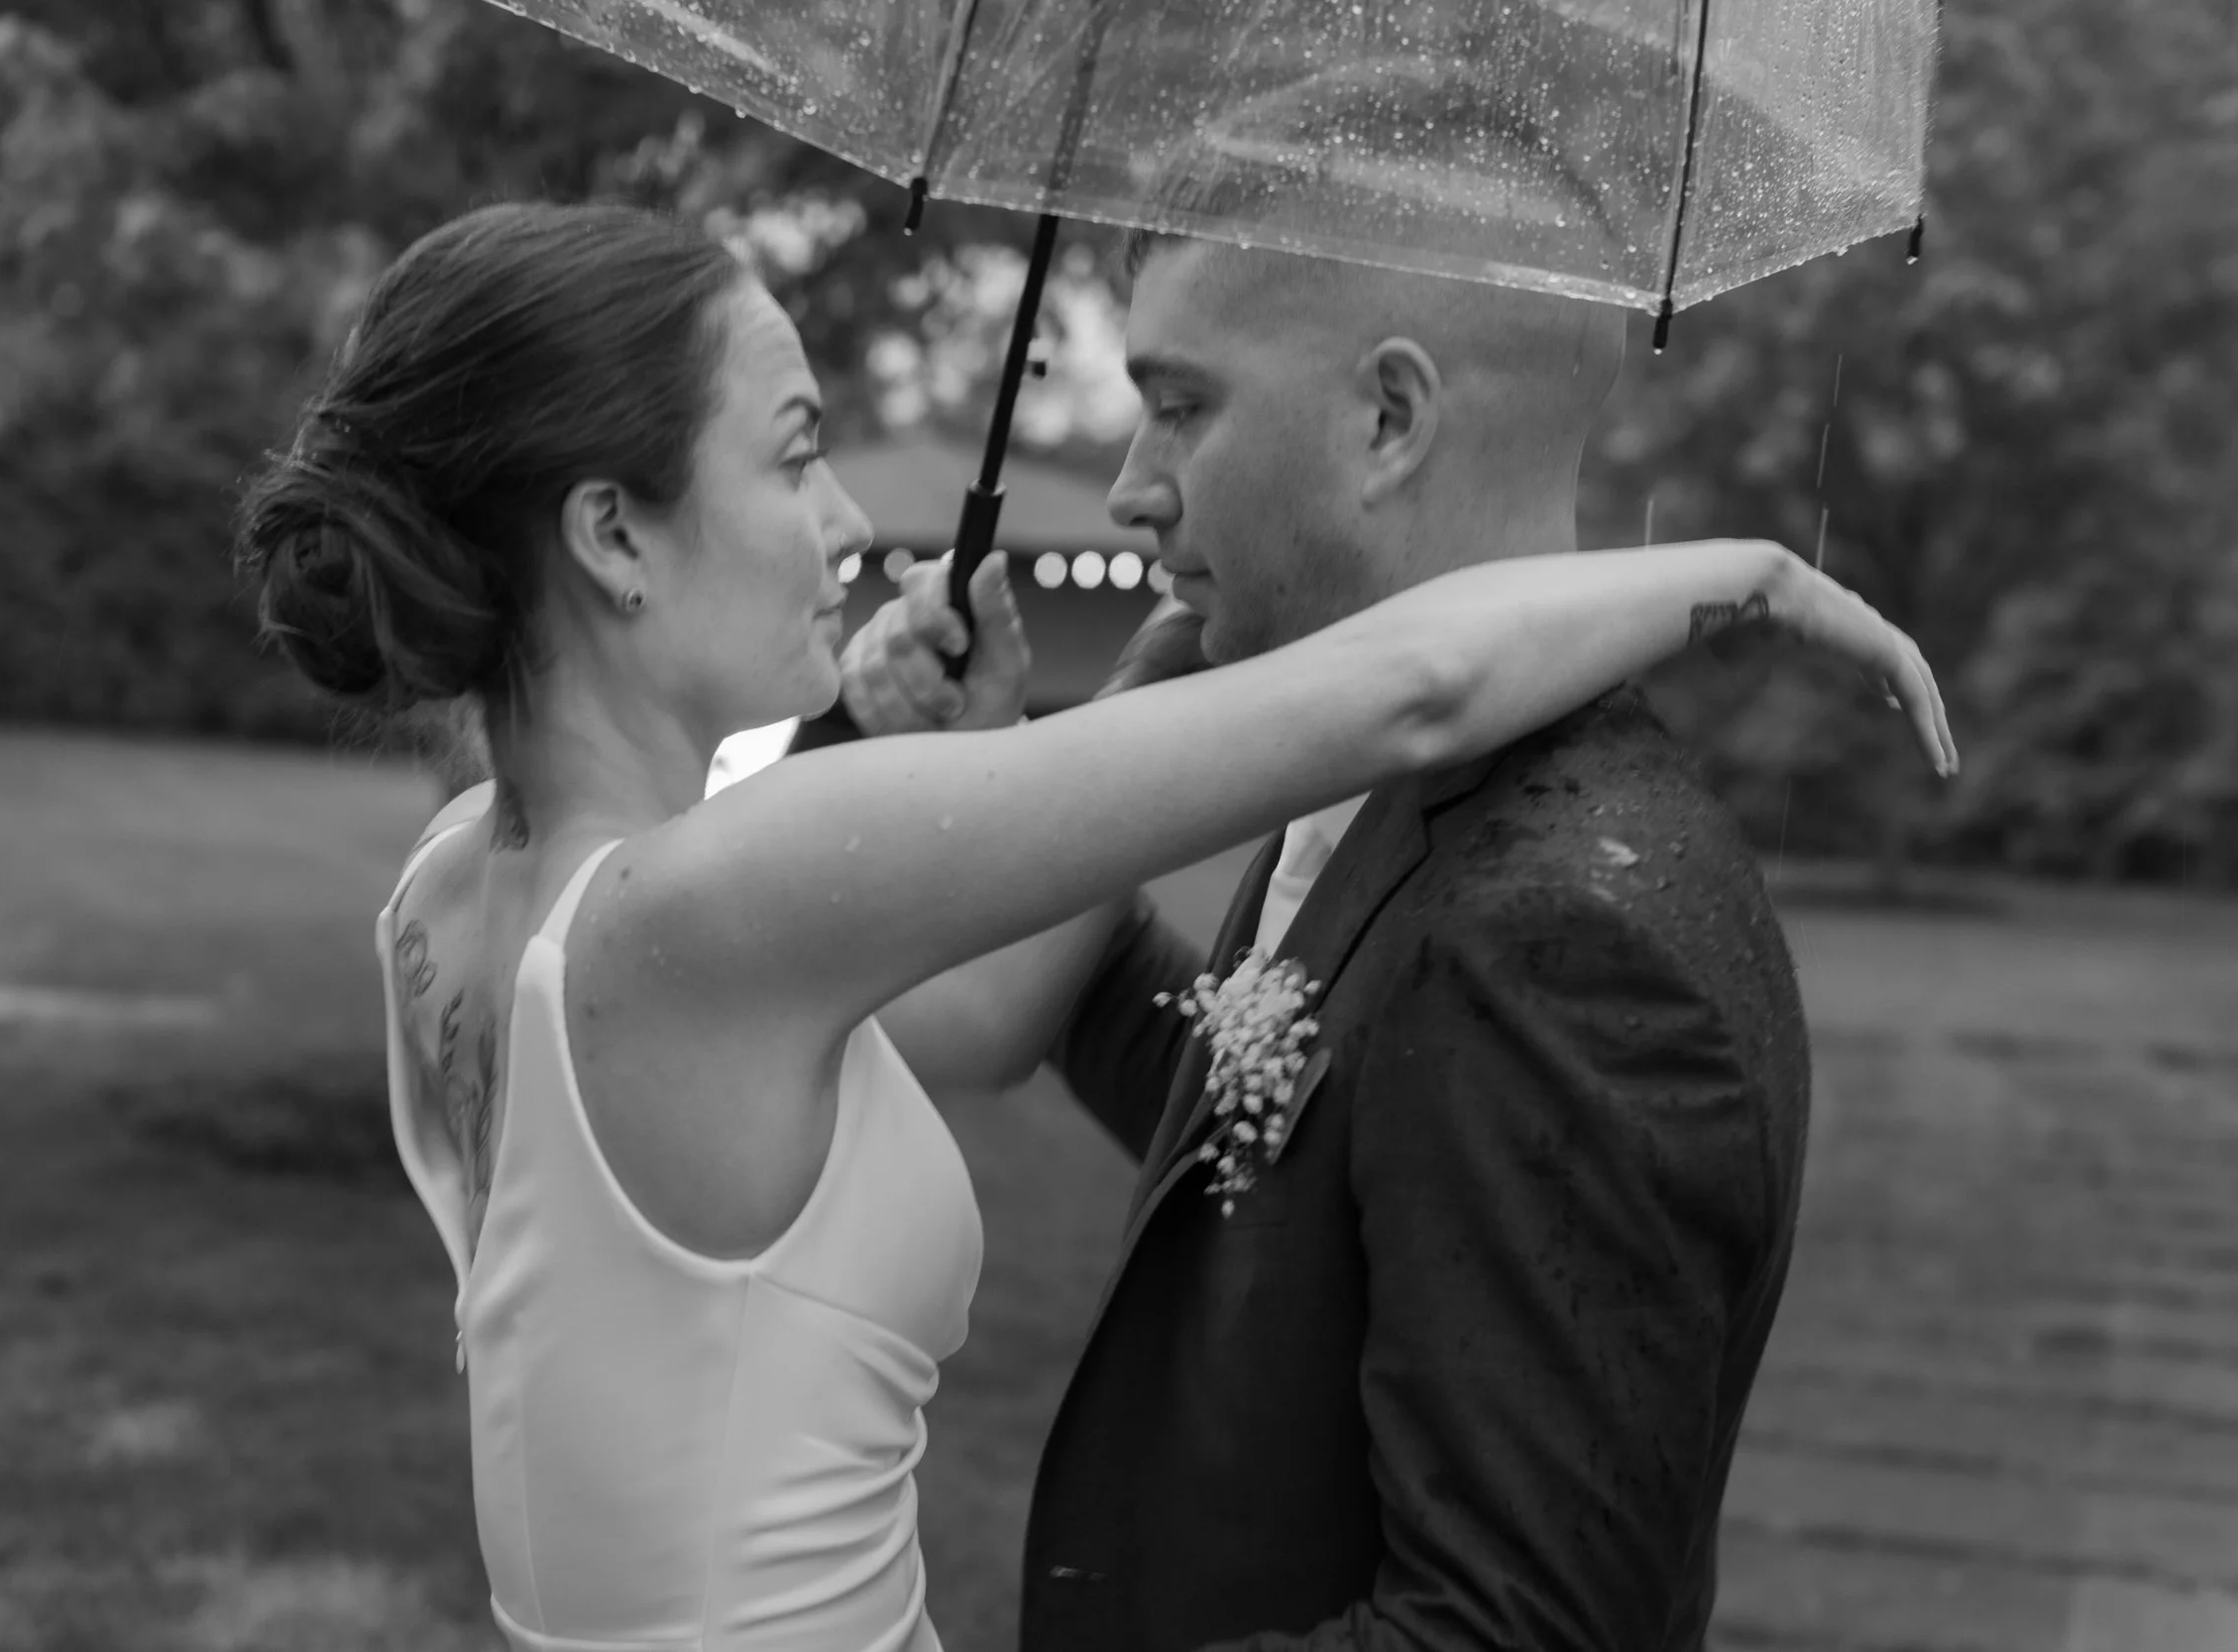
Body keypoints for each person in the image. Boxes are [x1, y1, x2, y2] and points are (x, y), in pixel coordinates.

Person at [230, 199, 1952, 1652]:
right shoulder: (724, 902)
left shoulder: (450, 890)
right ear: (611, 531)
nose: (847, 530)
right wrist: (1747, 575)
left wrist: (1102, 696)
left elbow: (971, 1024)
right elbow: (1417, 687)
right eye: (799, 455)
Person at [825, 235, 1914, 1650]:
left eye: (1183, 405)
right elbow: (1262, 1106)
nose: (1132, 485)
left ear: (1389, 422)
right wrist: (1042, 795)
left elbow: (1507, 1630)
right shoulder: (1390, 788)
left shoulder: (1566, 934)